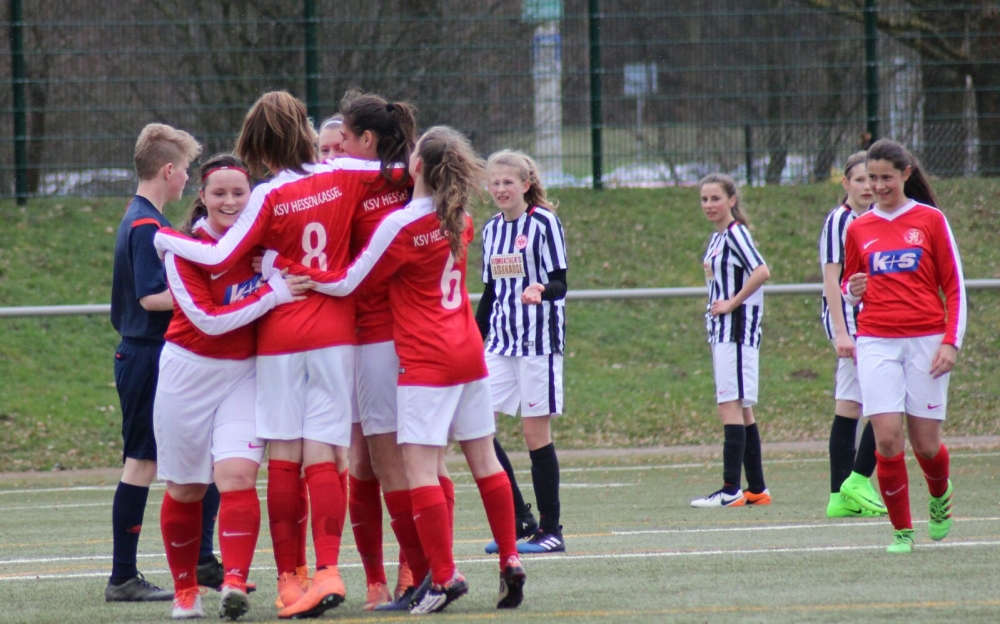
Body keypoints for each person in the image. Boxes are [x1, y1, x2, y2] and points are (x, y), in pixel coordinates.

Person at [264, 126, 526, 614]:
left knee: (418, 470)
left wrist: (301, 271)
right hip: (469, 350)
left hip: (425, 356)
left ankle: (441, 578)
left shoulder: (401, 223)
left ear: (418, 165)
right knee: (485, 461)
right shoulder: (462, 218)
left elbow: (350, 281)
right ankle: (510, 558)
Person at [153, 91, 390, 619]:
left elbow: (221, 252)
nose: (231, 198)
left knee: (283, 458)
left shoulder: (267, 197)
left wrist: (167, 240)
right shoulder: (345, 173)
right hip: (334, 333)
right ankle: (331, 571)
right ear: (307, 134)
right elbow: (401, 174)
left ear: (258, 147)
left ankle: (289, 579)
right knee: (327, 457)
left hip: (279, 341)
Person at [154, 154, 309, 619]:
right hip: (187, 373)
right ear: (202, 197)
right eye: (219, 192)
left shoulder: (262, 244)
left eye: (239, 192)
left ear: (252, 197)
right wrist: (271, 293)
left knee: (238, 477)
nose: (229, 201)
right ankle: (185, 591)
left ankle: (234, 582)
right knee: (185, 489)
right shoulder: (183, 248)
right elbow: (208, 321)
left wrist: (277, 267)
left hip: (244, 373)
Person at [842, 139, 965, 553]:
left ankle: (940, 494)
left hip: (926, 341)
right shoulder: (858, 227)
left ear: (906, 174)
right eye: (871, 178)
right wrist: (852, 290)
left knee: (926, 445)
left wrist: (950, 342)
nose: (877, 186)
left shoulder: (930, 220)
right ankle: (902, 532)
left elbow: (954, 286)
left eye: (885, 178)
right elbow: (849, 285)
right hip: (876, 340)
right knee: (888, 440)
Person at [335, 93, 424, 611]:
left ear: (366, 140)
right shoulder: (357, 181)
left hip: (386, 336)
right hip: (352, 337)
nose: (336, 151)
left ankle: (419, 570)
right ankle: (377, 579)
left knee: (406, 461)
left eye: (343, 141)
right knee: (364, 462)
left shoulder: (404, 182)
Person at [107, 123, 201, 603]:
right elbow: (150, 297)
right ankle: (123, 577)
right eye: (185, 169)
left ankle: (204, 559)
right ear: (168, 170)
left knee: (185, 454)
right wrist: (203, 296)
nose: (187, 177)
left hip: (146, 353)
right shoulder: (147, 226)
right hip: (145, 354)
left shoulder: (143, 217)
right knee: (141, 462)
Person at [476, 150, 566, 554]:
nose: (500, 189)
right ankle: (518, 519)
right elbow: (490, 293)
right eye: (494, 183)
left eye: (508, 182)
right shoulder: (491, 230)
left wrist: (541, 290)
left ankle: (551, 531)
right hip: (500, 343)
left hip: (538, 343)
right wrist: (472, 339)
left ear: (525, 185)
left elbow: (561, 283)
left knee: (534, 435)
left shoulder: (544, 222)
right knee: (478, 428)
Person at [691, 173, 772, 508]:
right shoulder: (718, 237)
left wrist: (732, 303)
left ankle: (730, 490)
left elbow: (761, 271)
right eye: (704, 199)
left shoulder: (736, 233)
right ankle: (757, 488)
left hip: (735, 331)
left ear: (732, 200)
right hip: (722, 331)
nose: (709, 205)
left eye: (716, 198)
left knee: (730, 405)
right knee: (742, 408)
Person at [819, 152, 888, 518]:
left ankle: (840, 496)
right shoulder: (841, 220)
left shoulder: (876, 218)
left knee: (849, 405)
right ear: (845, 183)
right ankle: (856, 483)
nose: (868, 186)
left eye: (872, 179)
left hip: (872, 321)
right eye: (860, 179)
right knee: (885, 401)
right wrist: (842, 333)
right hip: (854, 325)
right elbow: (832, 280)